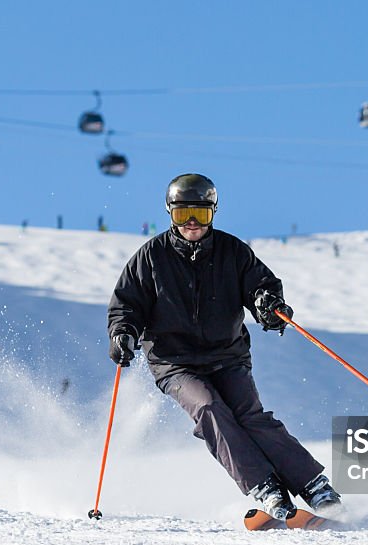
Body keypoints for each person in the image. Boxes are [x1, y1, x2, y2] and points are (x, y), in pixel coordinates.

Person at [107, 173, 341, 520]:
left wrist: (269, 305)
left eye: (199, 215)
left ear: (213, 213)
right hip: (175, 362)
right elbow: (126, 305)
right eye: (182, 214)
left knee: (250, 416)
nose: (191, 223)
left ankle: (313, 484)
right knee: (209, 409)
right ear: (169, 213)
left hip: (226, 355)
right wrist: (122, 333)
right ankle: (264, 486)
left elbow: (261, 285)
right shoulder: (150, 258)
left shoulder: (233, 252)